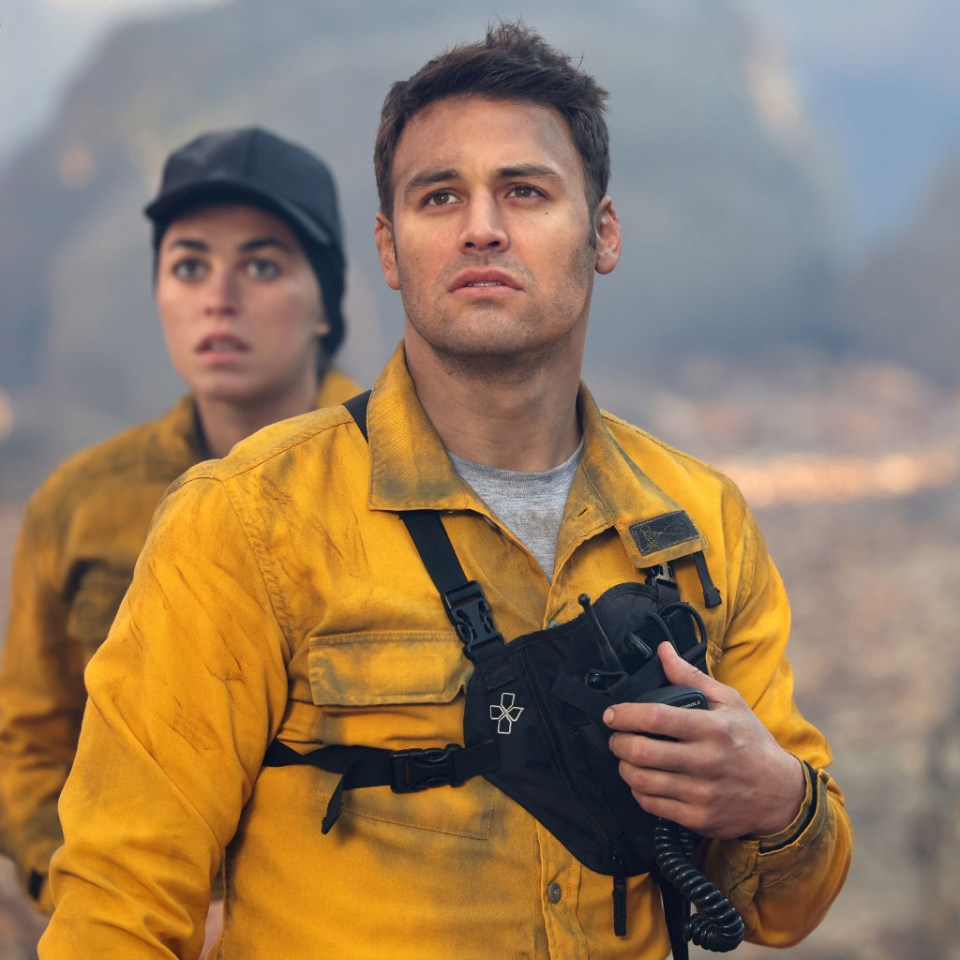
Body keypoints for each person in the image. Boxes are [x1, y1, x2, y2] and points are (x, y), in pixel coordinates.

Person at [38, 24, 852, 960]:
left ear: (604, 232)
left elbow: (789, 910)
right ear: (390, 249)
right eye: (439, 196)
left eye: (525, 190)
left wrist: (781, 800)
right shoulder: (248, 520)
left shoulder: (700, 520)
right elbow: (117, 902)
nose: (481, 226)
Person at [0, 126, 360, 917]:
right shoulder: (80, 503)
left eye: (261, 265)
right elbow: (26, 745)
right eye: (189, 264)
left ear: (327, 304)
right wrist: (86, 890)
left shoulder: (402, 479)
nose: (218, 296)